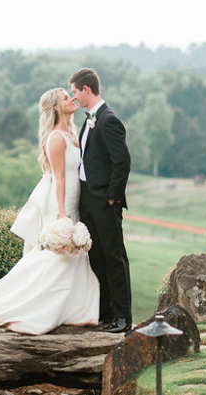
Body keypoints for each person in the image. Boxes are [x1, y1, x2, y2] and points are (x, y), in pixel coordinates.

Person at [0, 88, 99, 335]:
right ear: (55, 107)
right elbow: (59, 178)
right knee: (53, 256)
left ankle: (72, 309)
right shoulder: (56, 138)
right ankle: (22, 306)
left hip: (75, 200)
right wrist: (62, 214)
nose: (71, 99)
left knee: (69, 256)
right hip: (60, 201)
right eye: (66, 97)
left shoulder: (72, 134)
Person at [70, 67, 132, 333]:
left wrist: (111, 199)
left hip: (104, 202)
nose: (74, 97)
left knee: (114, 257)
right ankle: (106, 312)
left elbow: (122, 163)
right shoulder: (89, 119)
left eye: (74, 92)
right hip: (87, 202)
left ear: (86, 89)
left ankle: (122, 317)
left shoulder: (109, 120)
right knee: (96, 258)